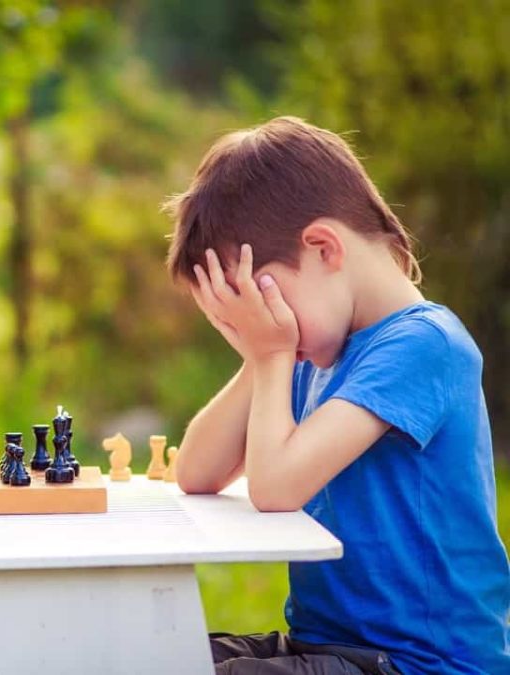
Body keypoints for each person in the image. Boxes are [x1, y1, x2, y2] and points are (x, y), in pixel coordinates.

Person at [165, 116, 510, 674]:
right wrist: (262, 354)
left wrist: (275, 353)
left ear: (323, 247)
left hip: (419, 663)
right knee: (148, 651)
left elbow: (274, 489)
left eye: (262, 299)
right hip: (331, 648)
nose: (263, 324)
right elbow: (197, 474)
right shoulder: (313, 349)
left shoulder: (423, 345)